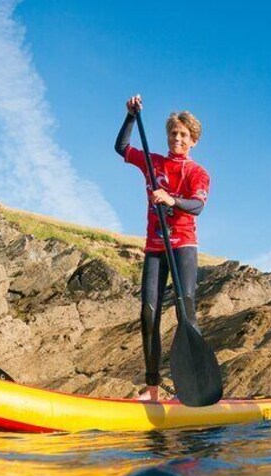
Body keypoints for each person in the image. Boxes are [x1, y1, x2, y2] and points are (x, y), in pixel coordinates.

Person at [115, 94, 209, 402]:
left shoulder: (198, 172)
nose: (177, 138)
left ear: (192, 140)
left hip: (183, 245)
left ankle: (193, 389)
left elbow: (196, 205)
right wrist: (130, 116)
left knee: (186, 311)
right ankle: (153, 390)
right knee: (148, 313)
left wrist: (171, 200)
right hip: (155, 246)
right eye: (173, 133)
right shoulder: (153, 163)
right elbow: (122, 148)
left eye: (183, 135)